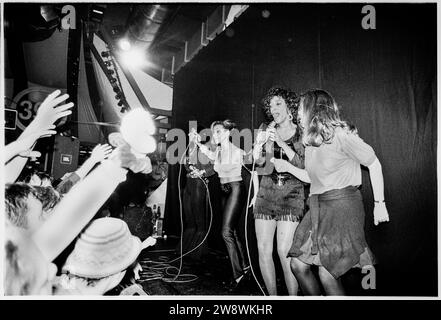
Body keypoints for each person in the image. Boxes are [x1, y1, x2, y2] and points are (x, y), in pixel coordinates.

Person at [272, 89, 389, 295]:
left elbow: (374, 163)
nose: (297, 113)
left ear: (313, 109)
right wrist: (288, 167)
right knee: (298, 265)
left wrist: (379, 204)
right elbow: (311, 178)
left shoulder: (341, 135)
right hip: (318, 206)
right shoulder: (309, 142)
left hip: (342, 205)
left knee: (328, 273)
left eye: (300, 108)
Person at [251, 87, 305, 295]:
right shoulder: (266, 128)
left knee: (284, 251)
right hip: (266, 191)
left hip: (292, 192)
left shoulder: (301, 130)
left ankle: (292, 297)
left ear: (289, 106)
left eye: (278, 104)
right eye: (271, 105)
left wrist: (280, 142)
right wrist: (258, 149)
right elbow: (260, 164)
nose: (273, 109)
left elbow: (303, 165)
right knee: (264, 249)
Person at [190, 119, 250, 288]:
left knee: (226, 232)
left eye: (218, 132)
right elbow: (208, 153)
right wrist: (196, 142)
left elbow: (252, 168)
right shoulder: (219, 151)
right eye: (213, 132)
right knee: (233, 232)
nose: (214, 135)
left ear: (228, 133)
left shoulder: (236, 151)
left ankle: (238, 275)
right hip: (225, 190)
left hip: (235, 188)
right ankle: (245, 266)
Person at [179, 125, 216, 261]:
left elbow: (215, 165)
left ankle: (199, 251)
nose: (192, 136)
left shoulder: (208, 147)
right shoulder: (192, 149)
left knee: (199, 219)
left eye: (195, 134)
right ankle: (187, 249)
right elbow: (186, 166)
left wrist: (202, 172)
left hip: (199, 184)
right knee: (189, 217)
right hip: (189, 184)